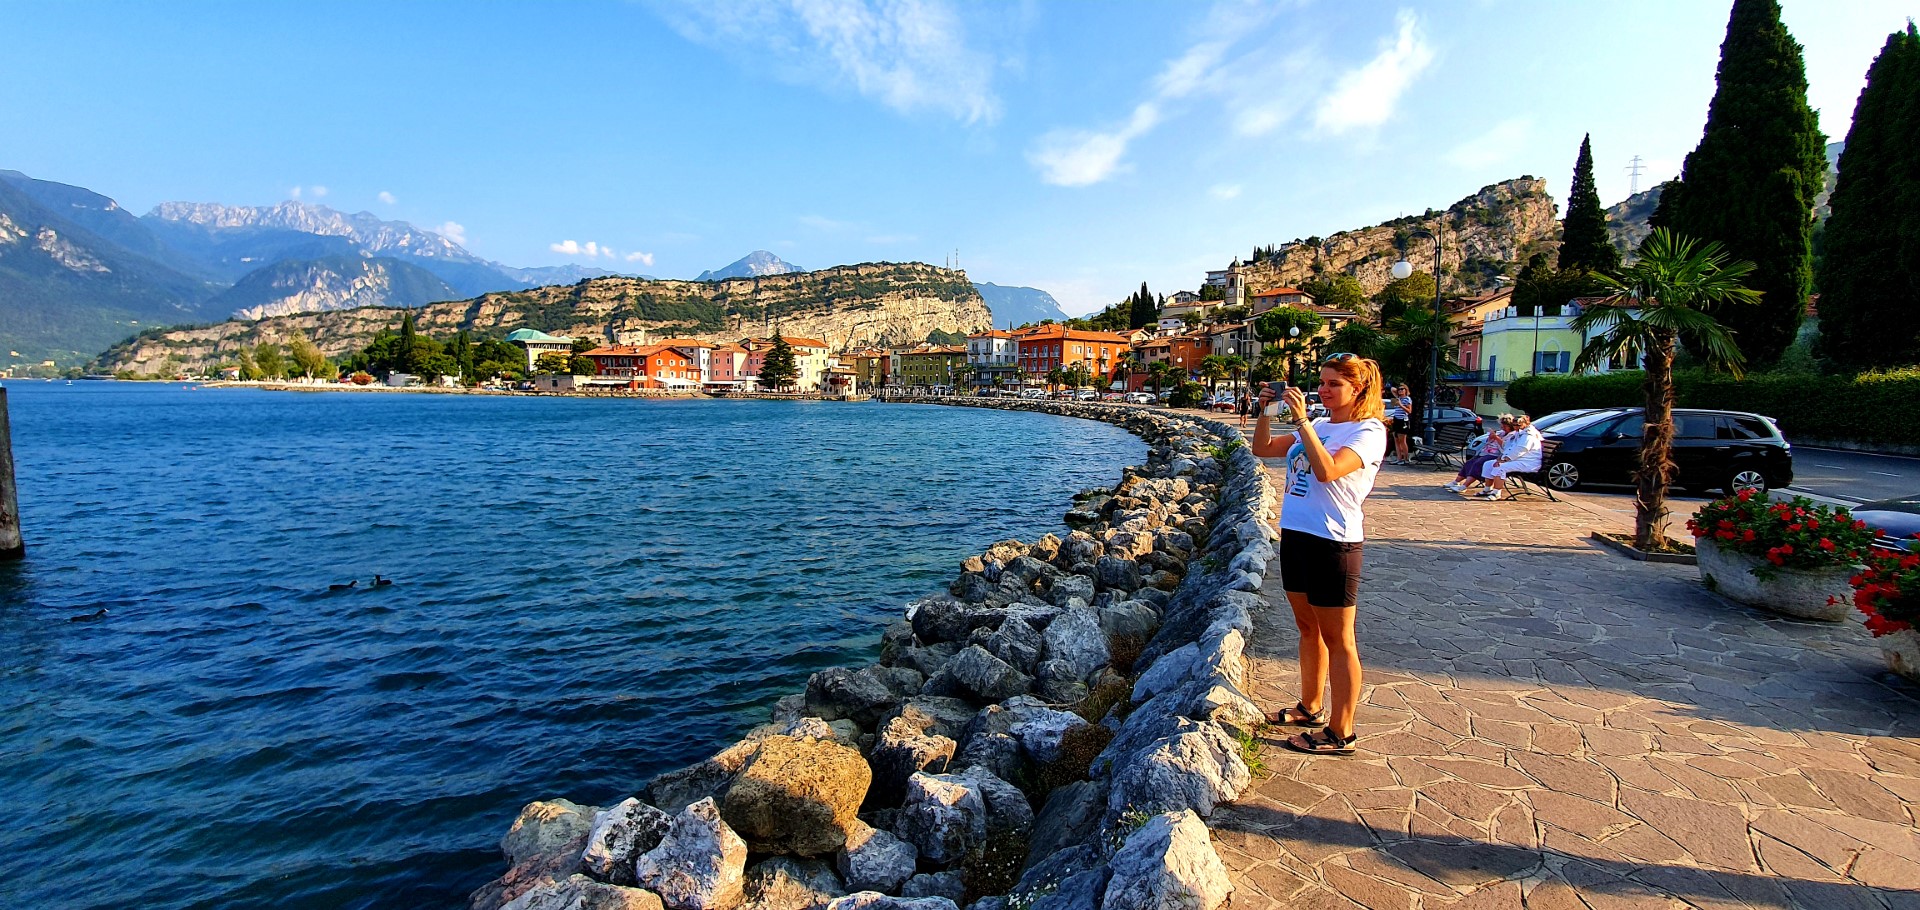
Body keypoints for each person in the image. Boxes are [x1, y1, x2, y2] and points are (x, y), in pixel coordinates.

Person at [1249, 353, 1388, 756]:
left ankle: (1342, 731)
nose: (1324, 390)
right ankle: (1310, 707)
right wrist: (1264, 412)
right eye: (1322, 383)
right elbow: (1263, 449)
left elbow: (1328, 470)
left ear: (1357, 388)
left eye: (1333, 385)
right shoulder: (1323, 424)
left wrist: (1302, 422)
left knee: (1340, 639)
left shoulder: (1368, 431)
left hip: (1333, 542)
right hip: (1296, 534)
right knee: (1308, 629)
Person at [1478, 415, 1543, 499]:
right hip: (1517, 460)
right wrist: (1501, 457)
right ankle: (1487, 489)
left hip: (1528, 462)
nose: (1515, 427)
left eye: (1518, 425)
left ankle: (1496, 493)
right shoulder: (1519, 433)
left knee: (1500, 467)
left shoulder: (1529, 435)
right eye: (1514, 425)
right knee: (1488, 464)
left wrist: (1505, 460)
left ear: (1525, 424)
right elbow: (1508, 446)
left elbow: (1520, 450)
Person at [1446, 415, 1513, 493]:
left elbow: (1506, 447)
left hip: (1497, 455)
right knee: (1469, 462)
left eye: (1505, 426)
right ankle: (1456, 482)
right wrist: (1490, 437)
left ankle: (1464, 486)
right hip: (1486, 453)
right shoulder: (1501, 432)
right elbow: (1489, 441)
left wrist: (1496, 438)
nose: (1502, 427)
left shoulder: (1513, 435)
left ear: (1510, 426)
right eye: (1502, 425)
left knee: (1478, 464)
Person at [1385, 384, 1415, 464]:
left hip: (1403, 420)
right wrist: (1398, 391)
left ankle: (1406, 459)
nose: (1400, 390)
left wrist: (1401, 405)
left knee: (1402, 441)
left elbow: (1409, 411)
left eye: (1402, 389)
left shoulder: (1407, 399)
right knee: (1396, 440)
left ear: (1406, 390)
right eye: (1399, 389)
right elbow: (1392, 389)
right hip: (1396, 420)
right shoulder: (1397, 399)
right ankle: (1399, 459)